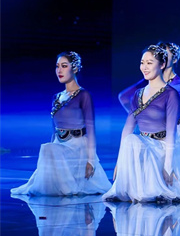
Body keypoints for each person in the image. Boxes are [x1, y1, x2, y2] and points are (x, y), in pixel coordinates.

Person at [103, 45, 180, 202]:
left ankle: (156, 187)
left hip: (162, 148)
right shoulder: (138, 94)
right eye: (142, 62)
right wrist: (119, 162)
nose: (144, 67)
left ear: (162, 65)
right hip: (145, 145)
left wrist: (168, 166)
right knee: (131, 139)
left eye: (149, 63)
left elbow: (171, 132)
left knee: (134, 141)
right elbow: (127, 129)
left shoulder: (171, 94)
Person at [11, 52, 111, 196]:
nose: (59, 70)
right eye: (57, 66)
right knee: (48, 148)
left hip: (77, 148)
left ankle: (67, 188)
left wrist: (91, 161)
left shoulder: (83, 95)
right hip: (59, 146)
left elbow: (91, 130)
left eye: (64, 66)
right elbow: (54, 132)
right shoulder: (57, 97)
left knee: (48, 149)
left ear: (74, 68)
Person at [117, 41, 180, 180]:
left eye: (165, 53)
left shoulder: (177, 85)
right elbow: (124, 96)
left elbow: (173, 111)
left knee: (179, 175)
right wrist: (142, 116)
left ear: (173, 60)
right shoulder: (150, 79)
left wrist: (151, 113)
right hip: (160, 131)